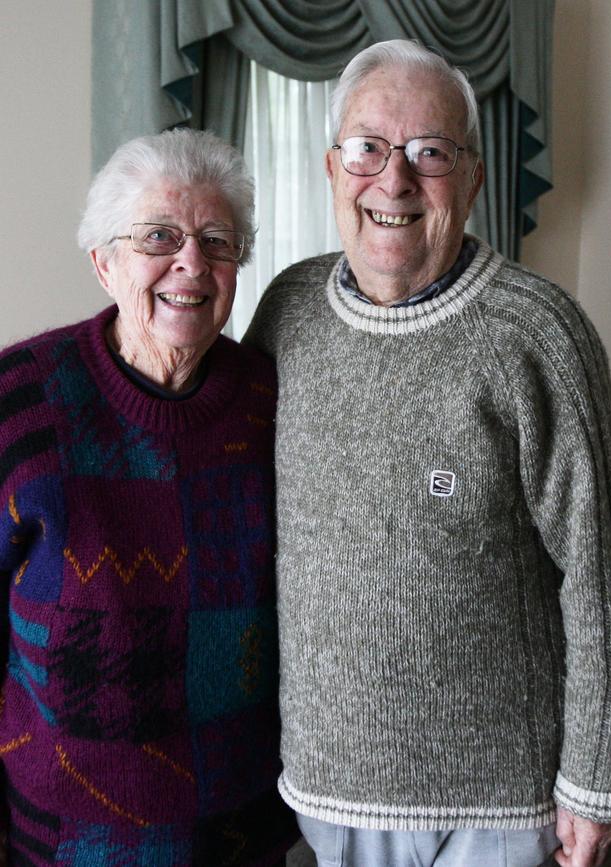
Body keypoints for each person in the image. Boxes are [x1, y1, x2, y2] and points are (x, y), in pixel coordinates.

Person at [245, 39, 611, 867]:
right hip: (328, 788)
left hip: (505, 806)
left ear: (470, 179)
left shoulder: (538, 333)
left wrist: (598, 781)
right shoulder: (287, 312)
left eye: (431, 152)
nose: (394, 180)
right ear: (331, 168)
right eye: (367, 147)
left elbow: (603, 576)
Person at [0, 129, 295, 866]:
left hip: (240, 832)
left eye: (216, 240)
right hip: (63, 837)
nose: (190, 262)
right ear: (105, 263)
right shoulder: (20, 399)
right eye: (160, 235)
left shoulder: (273, 402)